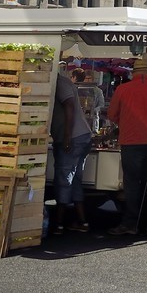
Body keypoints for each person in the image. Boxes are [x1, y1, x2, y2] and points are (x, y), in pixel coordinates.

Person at [105, 64, 147, 236]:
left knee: (132, 183)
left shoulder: (122, 89)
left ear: (133, 73)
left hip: (130, 141)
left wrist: (126, 122)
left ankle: (130, 223)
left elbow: (112, 114)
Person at [52, 70, 93, 233]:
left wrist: (67, 136)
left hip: (73, 137)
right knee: (75, 179)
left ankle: (59, 224)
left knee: (64, 179)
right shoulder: (64, 82)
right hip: (82, 137)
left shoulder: (60, 83)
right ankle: (82, 222)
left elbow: (69, 106)